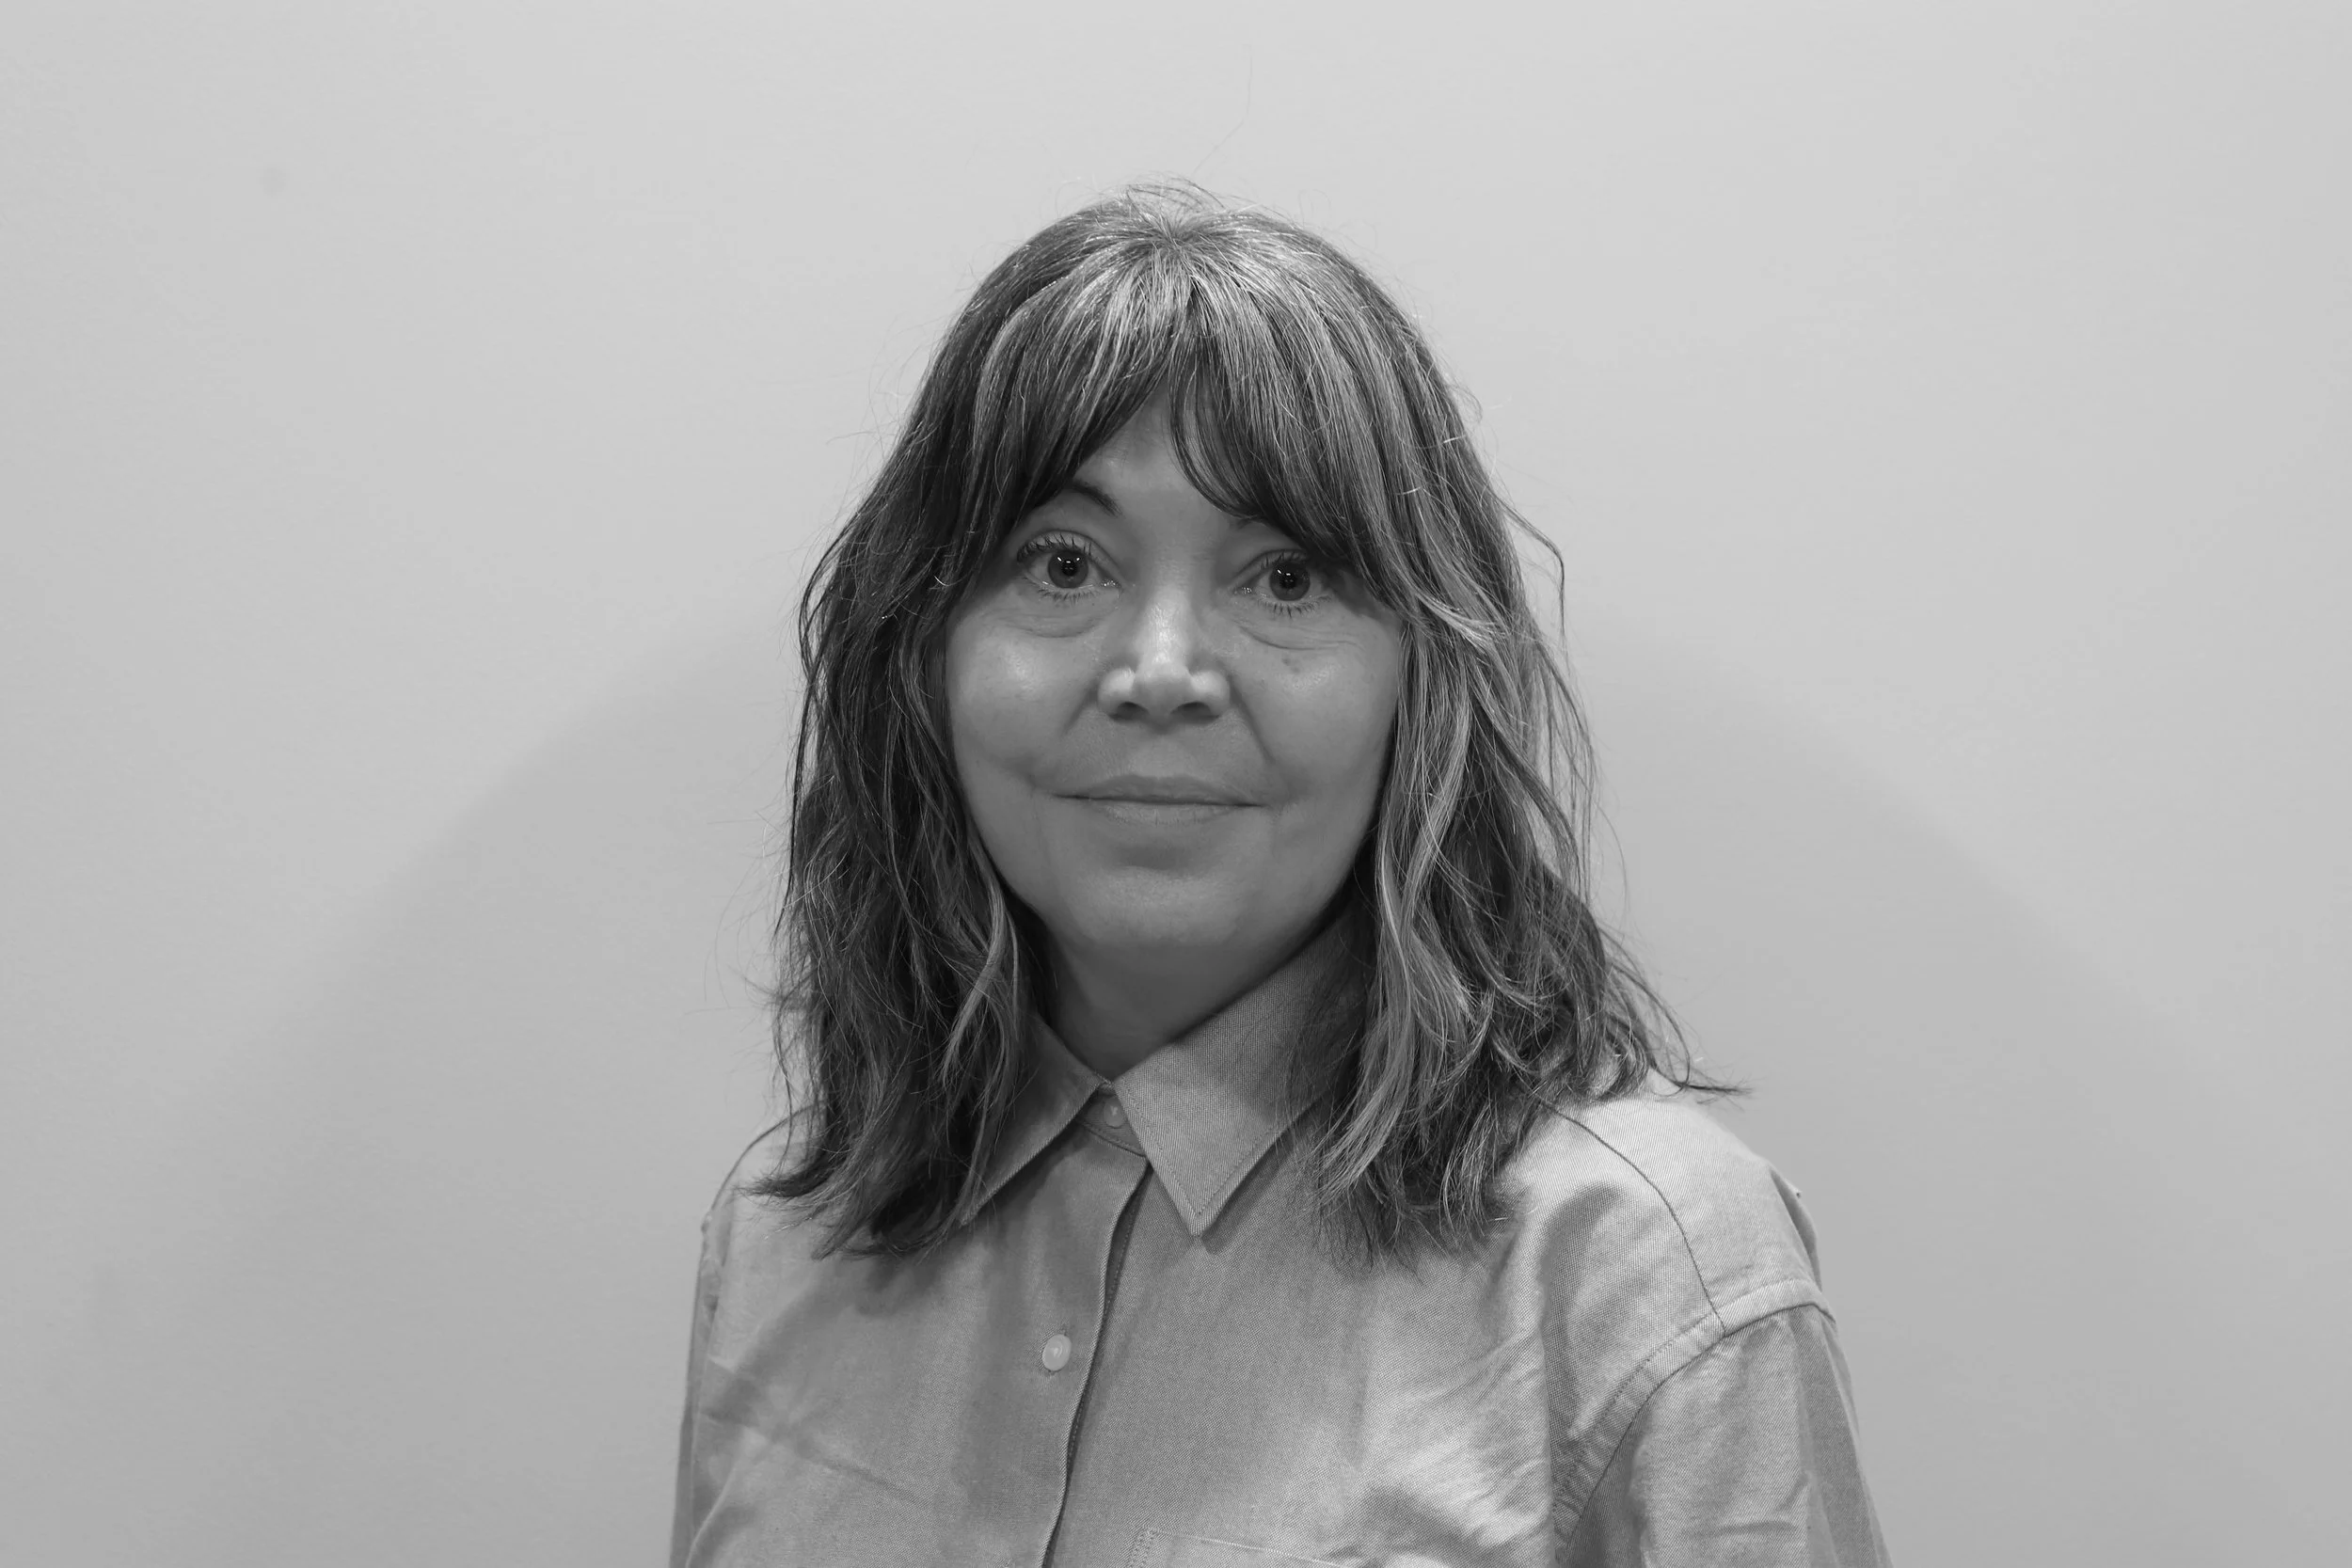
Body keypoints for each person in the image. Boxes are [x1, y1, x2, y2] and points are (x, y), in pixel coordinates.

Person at [669, 183, 1889, 1568]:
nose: (1163, 670)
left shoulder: (1650, 1275)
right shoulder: (782, 1242)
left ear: (1425, 677)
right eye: (1062, 562)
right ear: (921, 654)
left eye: (1288, 576)